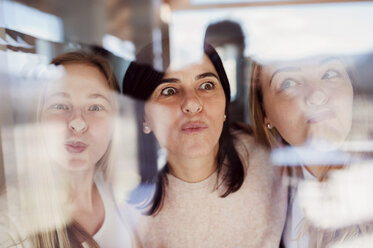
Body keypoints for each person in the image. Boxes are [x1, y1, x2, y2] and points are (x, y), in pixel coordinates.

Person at [122, 43, 287, 247]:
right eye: (169, 90)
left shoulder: (272, 156)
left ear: (225, 103)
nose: (192, 104)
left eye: (207, 85)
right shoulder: (121, 203)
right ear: (143, 117)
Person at [0, 51, 139, 248]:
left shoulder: (126, 196)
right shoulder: (10, 225)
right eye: (60, 105)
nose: (78, 122)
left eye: (95, 107)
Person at [249, 55, 373, 247]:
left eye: (330, 73)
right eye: (289, 82)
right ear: (266, 113)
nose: (316, 95)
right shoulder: (256, 196)